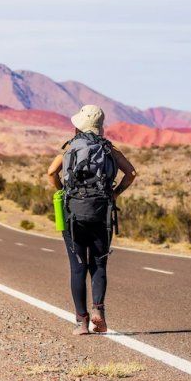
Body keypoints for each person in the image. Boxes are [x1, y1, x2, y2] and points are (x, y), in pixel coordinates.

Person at [46, 105, 136, 335]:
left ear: (78, 125)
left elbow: (50, 173)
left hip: (73, 214)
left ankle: (81, 322)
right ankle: (99, 312)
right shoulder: (109, 149)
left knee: (78, 268)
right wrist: (114, 194)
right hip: (101, 212)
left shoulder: (69, 149)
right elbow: (131, 173)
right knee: (99, 264)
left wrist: (62, 192)